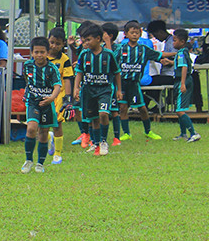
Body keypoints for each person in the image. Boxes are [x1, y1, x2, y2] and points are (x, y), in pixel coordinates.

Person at [115, 20, 175, 141]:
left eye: (137, 33)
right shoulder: (121, 49)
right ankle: (126, 133)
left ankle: (148, 131)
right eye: (132, 33)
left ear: (140, 33)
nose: (134, 35)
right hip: (123, 83)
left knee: (142, 108)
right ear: (126, 34)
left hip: (135, 83)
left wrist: (175, 53)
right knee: (123, 108)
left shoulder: (144, 49)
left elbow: (159, 54)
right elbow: (113, 64)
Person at [74, 23, 121, 156]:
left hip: (104, 89)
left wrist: (118, 90)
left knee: (103, 114)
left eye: (88, 40)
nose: (86, 43)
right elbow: (79, 72)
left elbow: (117, 72)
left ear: (98, 39)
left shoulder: (108, 54)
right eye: (84, 40)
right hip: (88, 90)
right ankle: (95, 143)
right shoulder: (84, 54)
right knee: (94, 118)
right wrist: (76, 88)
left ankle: (103, 141)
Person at [21, 37, 62, 174]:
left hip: (47, 103)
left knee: (43, 133)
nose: (39, 55)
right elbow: (27, 80)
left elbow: (57, 86)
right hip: (33, 102)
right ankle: (28, 160)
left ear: (47, 53)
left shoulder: (52, 68)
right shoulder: (28, 66)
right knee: (31, 129)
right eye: (36, 52)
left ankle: (40, 163)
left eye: (42, 52)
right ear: (32, 53)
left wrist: (51, 98)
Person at [46, 27, 74, 164]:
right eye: (52, 42)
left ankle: (57, 153)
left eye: (58, 44)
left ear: (63, 44)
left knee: (57, 123)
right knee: (41, 124)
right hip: (43, 94)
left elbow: (68, 79)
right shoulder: (41, 56)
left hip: (58, 95)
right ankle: (49, 139)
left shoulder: (65, 59)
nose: (54, 46)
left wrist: (68, 98)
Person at [173, 28, 202, 141]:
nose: (173, 43)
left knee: (180, 110)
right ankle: (183, 133)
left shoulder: (181, 53)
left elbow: (184, 67)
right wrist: (170, 62)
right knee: (179, 108)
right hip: (183, 80)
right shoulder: (183, 52)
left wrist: (182, 83)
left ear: (182, 42)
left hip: (183, 80)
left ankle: (193, 133)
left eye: (175, 40)